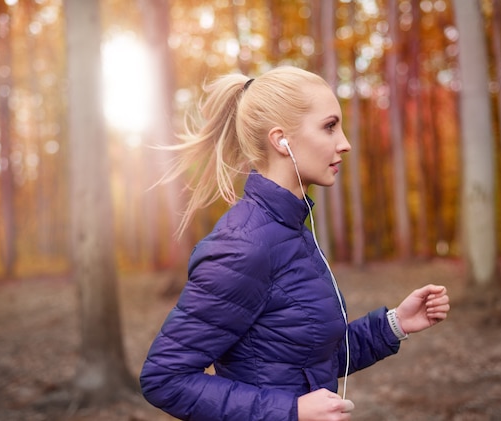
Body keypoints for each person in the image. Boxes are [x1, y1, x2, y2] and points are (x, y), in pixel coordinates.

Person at [139, 66, 450, 421]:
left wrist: (394, 325)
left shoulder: (291, 230)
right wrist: (291, 410)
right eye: (330, 126)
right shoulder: (244, 246)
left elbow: (311, 357)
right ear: (281, 140)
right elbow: (164, 379)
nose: (344, 143)